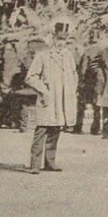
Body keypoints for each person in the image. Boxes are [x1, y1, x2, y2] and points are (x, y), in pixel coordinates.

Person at [24, 20, 77, 173]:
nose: (61, 43)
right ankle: (35, 164)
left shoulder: (68, 56)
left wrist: (71, 91)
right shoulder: (43, 55)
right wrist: (43, 90)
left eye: (64, 40)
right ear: (52, 38)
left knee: (56, 130)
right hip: (47, 98)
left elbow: (74, 75)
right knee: (42, 130)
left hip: (62, 100)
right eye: (59, 39)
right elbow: (31, 77)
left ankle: (50, 161)